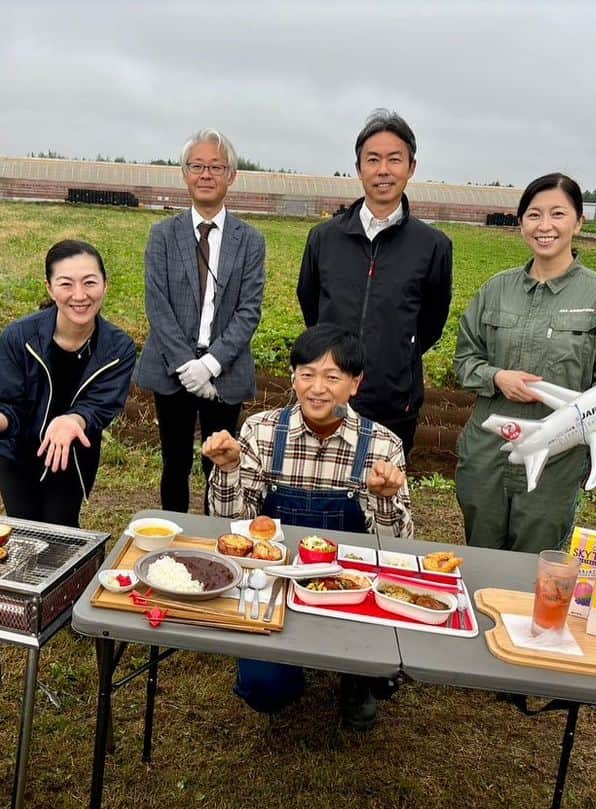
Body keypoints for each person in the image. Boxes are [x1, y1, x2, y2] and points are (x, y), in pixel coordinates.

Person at [204, 324, 411, 730]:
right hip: (274, 581)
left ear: (355, 384)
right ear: (293, 377)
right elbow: (231, 530)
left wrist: (385, 498)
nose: (318, 388)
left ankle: (357, 678)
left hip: (351, 586)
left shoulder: (383, 446)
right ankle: (287, 663)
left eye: (333, 377)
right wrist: (228, 469)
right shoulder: (261, 431)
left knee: (383, 666)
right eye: (307, 374)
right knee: (267, 687)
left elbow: (397, 550)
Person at [453, 173, 596, 553]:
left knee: (534, 564)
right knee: (480, 554)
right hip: (489, 448)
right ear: (521, 224)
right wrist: (496, 377)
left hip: (557, 458)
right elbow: (466, 358)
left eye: (558, 214)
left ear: (578, 222)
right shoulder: (496, 289)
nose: (544, 226)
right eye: (533, 215)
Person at [0, 239, 136, 527]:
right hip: (16, 451)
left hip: (70, 450)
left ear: (105, 285)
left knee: (62, 532)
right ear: (50, 288)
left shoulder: (118, 348)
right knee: (26, 529)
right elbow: (6, 407)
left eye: (90, 282)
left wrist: (73, 420)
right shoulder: (19, 337)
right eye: (66, 284)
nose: (80, 295)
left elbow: (101, 406)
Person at [297, 108, 453, 460]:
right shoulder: (324, 238)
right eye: (373, 160)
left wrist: (396, 353)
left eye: (394, 160)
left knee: (381, 494)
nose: (383, 170)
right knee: (323, 490)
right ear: (359, 169)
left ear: (411, 167)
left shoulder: (432, 246)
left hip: (394, 402)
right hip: (330, 399)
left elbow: (432, 320)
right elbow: (311, 304)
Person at [134, 128, 266, 514]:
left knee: (218, 462)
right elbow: (157, 304)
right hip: (171, 370)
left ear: (231, 176)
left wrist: (209, 364)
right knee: (174, 463)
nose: (206, 174)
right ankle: (172, 544)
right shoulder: (163, 235)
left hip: (223, 370)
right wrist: (185, 364)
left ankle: (213, 542)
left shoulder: (250, 240)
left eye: (215, 166)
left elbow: (248, 309)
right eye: (197, 166)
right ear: (184, 173)